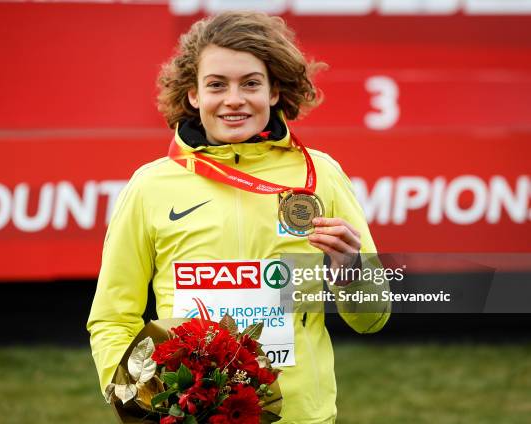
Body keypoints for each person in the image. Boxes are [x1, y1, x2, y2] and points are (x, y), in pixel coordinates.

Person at [88, 11, 390, 423]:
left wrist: (351, 270)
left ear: (274, 91)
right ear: (193, 95)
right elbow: (112, 317)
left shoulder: (320, 176)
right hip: (186, 415)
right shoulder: (150, 186)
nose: (234, 99)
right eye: (216, 85)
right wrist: (140, 400)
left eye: (250, 83)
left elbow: (372, 320)